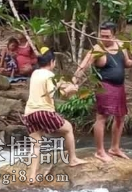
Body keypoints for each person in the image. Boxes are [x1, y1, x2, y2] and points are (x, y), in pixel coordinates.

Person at [72, 22, 132, 162]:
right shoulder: (97, 49)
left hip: (119, 86)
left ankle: (115, 148)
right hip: (104, 85)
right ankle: (100, 151)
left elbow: (126, 63)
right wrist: (73, 82)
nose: (104, 39)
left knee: (120, 116)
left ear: (114, 35)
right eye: (101, 36)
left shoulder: (121, 45)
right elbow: (82, 67)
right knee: (102, 118)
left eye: (107, 36)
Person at [23, 48, 86, 183]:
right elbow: (55, 95)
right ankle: (73, 159)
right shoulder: (49, 76)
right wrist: (70, 90)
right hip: (43, 111)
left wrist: (68, 87)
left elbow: (59, 87)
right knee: (68, 128)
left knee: (36, 144)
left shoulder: (35, 73)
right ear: (52, 62)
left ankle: (32, 176)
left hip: (29, 113)